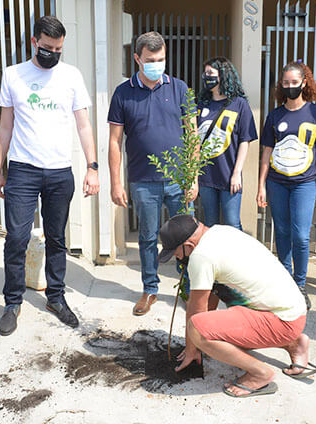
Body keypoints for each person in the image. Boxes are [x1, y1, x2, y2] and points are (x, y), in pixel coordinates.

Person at [0, 16, 100, 336]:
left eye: (59, 49)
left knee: (56, 238)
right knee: (16, 238)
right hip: (23, 170)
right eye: (48, 47)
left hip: (59, 172)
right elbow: (5, 126)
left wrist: (93, 167)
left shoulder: (71, 76)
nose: (53, 53)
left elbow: (83, 124)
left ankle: (56, 297)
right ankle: (13, 302)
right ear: (33, 42)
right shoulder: (13, 75)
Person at [158, 215, 316, 398]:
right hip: (292, 313)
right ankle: (294, 344)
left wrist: (193, 347)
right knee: (214, 329)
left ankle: (260, 374)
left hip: (281, 322)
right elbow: (210, 298)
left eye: (175, 252)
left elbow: (196, 310)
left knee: (197, 329)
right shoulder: (221, 231)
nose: (175, 257)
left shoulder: (201, 256)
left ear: (188, 246)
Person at [108, 31, 196, 316]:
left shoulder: (180, 89)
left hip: (178, 180)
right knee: (147, 238)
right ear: (137, 59)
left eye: (160, 59)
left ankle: (189, 289)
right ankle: (150, 289)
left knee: (188, 238)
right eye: (149, 60)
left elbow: (192, 135)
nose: (156, 64)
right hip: (143, 181)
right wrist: (116, 183)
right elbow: (114, 141)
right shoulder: (123, 93)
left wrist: (192, 177)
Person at [257, 61, 316, 309]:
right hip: (277, 183)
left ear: (304, 83)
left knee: (300, 236)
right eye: (285, 83)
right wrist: (261, 185)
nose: (290, 86)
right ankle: (286, 280)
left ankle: (300, 284)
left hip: (305, 183)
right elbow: (266, 152)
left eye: (294, 82)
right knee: (282, 232)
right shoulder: (275, 115)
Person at [197, 57, 258, 230]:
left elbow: (245, 141)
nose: (206, 77)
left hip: (229, 174)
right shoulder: (201, 105)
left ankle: (236, 258)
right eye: (205, 73)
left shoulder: (239, 104)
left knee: (232, 223)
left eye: (210, 73)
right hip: (206, 175)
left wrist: (237, 173)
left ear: (223, 76)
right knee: (210, 224)